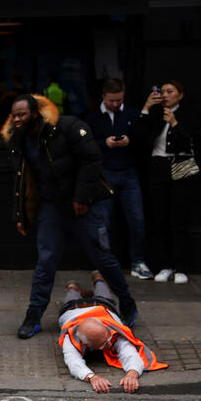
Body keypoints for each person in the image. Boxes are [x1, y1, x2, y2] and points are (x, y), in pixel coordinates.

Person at [1, 93, 138, 339]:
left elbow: (92, 161)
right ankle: (34, 315)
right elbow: (22, 181)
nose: (17, 119)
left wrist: (81, 198)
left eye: (22, 114)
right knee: (45, 261)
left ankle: (127, 301)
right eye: (14, 115)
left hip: (83, 204)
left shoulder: (67, 127)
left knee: (102, 256)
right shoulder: (18, 139)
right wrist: (20, 214)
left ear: (34, 113)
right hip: (52, 206)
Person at [86, 78, 152, 279]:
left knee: (137, 220)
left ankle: (138, 262)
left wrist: (129, 141)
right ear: (103, 96)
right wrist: (104, 143)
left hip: (129, 172)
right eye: (111, 101)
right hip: (104, 173)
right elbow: (84, 144)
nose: (115, 104)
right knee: (103, 222)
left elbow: (144, 140)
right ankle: (103, 264)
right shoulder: (92, 117)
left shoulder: (131, 113)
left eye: (119, 100)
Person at [57, 273, 168, 394]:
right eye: (103, 344)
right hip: (73, 307)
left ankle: (98, 278)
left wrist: (132, 374)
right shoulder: (70, 338)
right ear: (86, 344)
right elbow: (73, 362)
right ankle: (73, 288)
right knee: (71, 295)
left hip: (103, 304)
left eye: (108, 338)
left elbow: (129, 353)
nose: (110, 343)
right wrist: (92, 377)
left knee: (103, 292)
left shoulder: (112, 332)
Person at [139, 80, 201, 284]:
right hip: (158, 167)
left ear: (180, 95)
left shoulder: (188, 115)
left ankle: (181, 266)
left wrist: (175, 123)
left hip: (180, 168)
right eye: (162, 91)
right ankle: (164, 265)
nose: (165, 95)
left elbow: (191, 141)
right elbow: (140, 137)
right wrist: (147, 109)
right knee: (160, 219)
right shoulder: (156, 114)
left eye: (170, 91)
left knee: (179, 219)